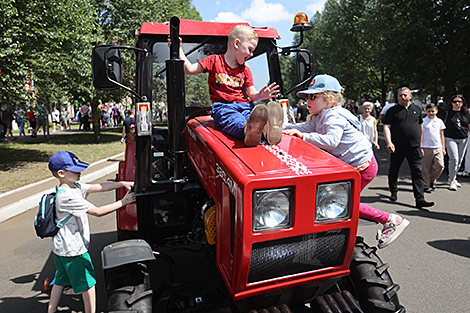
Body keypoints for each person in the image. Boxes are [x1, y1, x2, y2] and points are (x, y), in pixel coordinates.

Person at [283, 74, 409, 249]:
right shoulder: (321, 116)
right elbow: (300, 127)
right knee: (335, 203)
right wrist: (277, 128)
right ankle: (336, 234)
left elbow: (331, 140)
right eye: (307, 97)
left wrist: (302, 136)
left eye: (313, 96)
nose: (308, 100)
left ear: (330, 98)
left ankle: (390, 220)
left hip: (363, 167)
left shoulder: (333, 116)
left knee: (339, 205)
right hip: (356, 166)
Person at [47, 151, 136, 313]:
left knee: (60, 280)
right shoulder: (68, 196)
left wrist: (122, 183)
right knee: (89, 285)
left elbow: (99, 187)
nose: (80, 172)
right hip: (74, 250)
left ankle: (51, 310)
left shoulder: (73, 186)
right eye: (75, 169)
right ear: (62, 173)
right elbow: (97, 211)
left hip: (61, 248)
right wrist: (123, 202)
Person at [173, 24, 282, 146]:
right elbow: (190, 69)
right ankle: (247, 131)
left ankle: (267, 129)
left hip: (245, 106)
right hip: (223, 106)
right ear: (237, 44)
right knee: (233, 120)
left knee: (253, 116)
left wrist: (261, 95)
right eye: (250, 50)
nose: (251, 54)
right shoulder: (214, 61)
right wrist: (178, 49)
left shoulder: (245, 70)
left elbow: (252, 95)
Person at [382, 87, 434, 209]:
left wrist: (420, 145)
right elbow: (386, 127)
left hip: (414, 147)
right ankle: (393, 191)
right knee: (394, 170)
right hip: (397, 147)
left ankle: (420, 199)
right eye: (400, 95)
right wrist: (389, 142)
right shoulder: (392, 111)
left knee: (417, 173)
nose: (403, 97)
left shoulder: (416, 109)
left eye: (405, 95)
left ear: (410, 96)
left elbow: (420, 127)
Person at [443, 94, 470, 191]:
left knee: (459, 160)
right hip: (450, 138)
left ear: (463, 103)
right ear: (451, 103)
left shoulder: (466, 114)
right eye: (455, 101)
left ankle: (452, 178)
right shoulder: (446, 113)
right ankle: (452, 179)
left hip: (463, 139)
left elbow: (468, 127)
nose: (457, 103)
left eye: (459, 101)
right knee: (454, 158)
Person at [421, 103, 446, 192]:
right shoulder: (423, 121)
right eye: (429, 111)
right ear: (426, 112)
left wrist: (443, 148)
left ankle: (432, 179)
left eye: (433, 111)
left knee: (440, 166)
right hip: (426, 147)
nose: (431, 113)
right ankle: (426, 185)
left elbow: (442, 135)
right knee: (425, 168)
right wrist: (420, 146)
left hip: (437, 146)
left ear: (436, 111)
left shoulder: (439, 121)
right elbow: (420, 134)